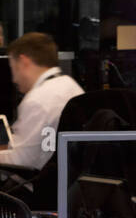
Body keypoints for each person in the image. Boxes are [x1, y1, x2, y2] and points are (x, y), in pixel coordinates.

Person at [0, 32, 84, 170]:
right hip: (68, 179)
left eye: (13, 68)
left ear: (24, 62)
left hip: (40, 184)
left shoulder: (37, 100)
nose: (14, 79)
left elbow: (21, 161)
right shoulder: (70, 85)